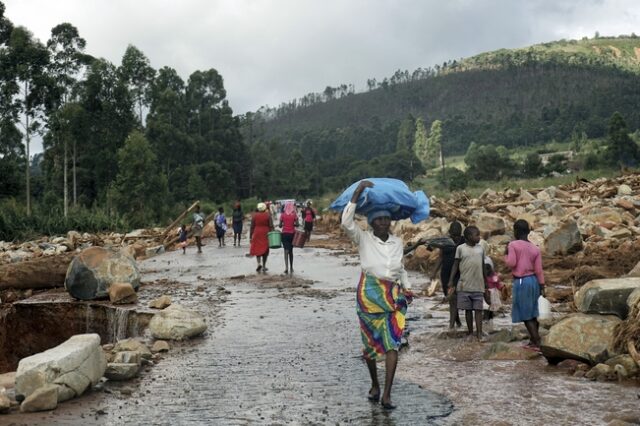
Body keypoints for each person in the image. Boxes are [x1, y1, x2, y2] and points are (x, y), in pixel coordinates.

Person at [342, 180, 413, 410]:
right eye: (378, 219)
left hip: (393, 295)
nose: (383, 223)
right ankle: (375, 384)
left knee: (393, 343)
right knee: (371, 345)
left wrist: (407, 286)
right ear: (372, 222)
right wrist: (357, 193)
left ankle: (387, 394)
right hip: (369, 294)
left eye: (386, 219)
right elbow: (346, 222)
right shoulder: (363, 238)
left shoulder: (397, 242)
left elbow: (400, 268)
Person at [504, 219, 545, 351]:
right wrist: (542, 286)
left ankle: (537, 341)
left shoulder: (513, 245)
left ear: (515, 231)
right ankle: (533, 340)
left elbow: (511, 263)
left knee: (525, 313)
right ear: (528, 232)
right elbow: (539, 270)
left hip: (521, 281)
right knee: (533, 312)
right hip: (533, 281)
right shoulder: (535, 248)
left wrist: (506, 254)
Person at [447, 225, 486, 341]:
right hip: (464, 285)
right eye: (477, 235)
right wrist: (451, 280)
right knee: (468, 311)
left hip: (478, 285)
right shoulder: (460, 248)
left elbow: (483, 266)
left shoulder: (481, 249)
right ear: (469, 237)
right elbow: (455, 265)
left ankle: (479, 334)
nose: (479, 237)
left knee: (478, 310)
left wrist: (486, 283)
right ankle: (470, 332)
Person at [250, 202, 274, 272]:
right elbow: (271, 226)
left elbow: (252, 227)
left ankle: (258, 264)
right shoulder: (268, 215)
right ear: (265, 208)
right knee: (265, 250)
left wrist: (251, 236)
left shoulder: (254, 216)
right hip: (266, 233)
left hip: (257, 233)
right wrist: (273, 233)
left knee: (258, 249)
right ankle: (264, 266)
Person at [279, 200, 299, 274]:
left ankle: (286, 267)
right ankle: (291, 267)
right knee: (291, 251)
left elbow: (280, 225)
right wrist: (292, 224)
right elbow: (297, 225)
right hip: (292, 234)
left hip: (284, 234)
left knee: (285, 251)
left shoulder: (282, 215)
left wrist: (284, 224)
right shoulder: (294, 214)